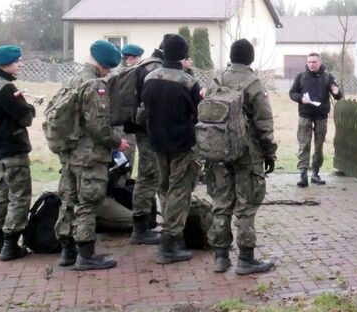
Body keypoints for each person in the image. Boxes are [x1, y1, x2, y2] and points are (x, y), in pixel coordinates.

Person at [54, 40, 130, 270]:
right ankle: (86, 255)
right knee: (88, 202)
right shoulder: (95, 85)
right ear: (106, 65)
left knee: (68, 200)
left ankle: (67, 251)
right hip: (90, 155)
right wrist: (117, 142)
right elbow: (99, 127)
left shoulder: (73, 80)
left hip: (69, 152)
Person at [204, 39, 277, 275]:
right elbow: (264, 123)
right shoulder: (254, 84)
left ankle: (220, 257)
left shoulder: (217, 82)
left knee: (221, 203)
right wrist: (270, 153)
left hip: (219, 153)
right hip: (248, 155)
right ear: (250, 58)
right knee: (246, 206)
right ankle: (246, 259)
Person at [141, 33, 202, 264]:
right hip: (183, 143)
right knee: (180, 190)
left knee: (165, 187)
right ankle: (169, 243)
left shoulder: (150, 77)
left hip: (156, 141)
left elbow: (144, 108)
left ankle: (172, 236)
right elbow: (199, 113)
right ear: (184, 55)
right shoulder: (188, 82)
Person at [0, 45, 40, 260]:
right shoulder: (6, 88)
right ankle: (10, 243)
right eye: (17, 61)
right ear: (5, 65)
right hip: (12, 149)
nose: (20, 64)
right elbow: (25, 117)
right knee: (19, 195)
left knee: (1, 193)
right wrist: (30, 107)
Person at [119, 44, 164, 245]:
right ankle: (141, 227)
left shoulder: (147, 65)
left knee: (150, 176)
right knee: (149, 176)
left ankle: (145, 223)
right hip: (147, 131)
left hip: (144, 129)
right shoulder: (153, 69)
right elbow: (149, 104)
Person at [288, 52, 343, 187]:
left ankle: (315, 174)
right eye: (309, 62)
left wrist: (337, 92)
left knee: (319, 146)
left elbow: (337, 94)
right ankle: (303, 175)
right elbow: (292, 93)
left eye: (314, 62)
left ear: (320, 63)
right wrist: (300, 98)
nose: (311, 64)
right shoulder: (301, 77)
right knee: (304, 145)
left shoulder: (327, 77)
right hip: (305, 115)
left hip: (321, 117)